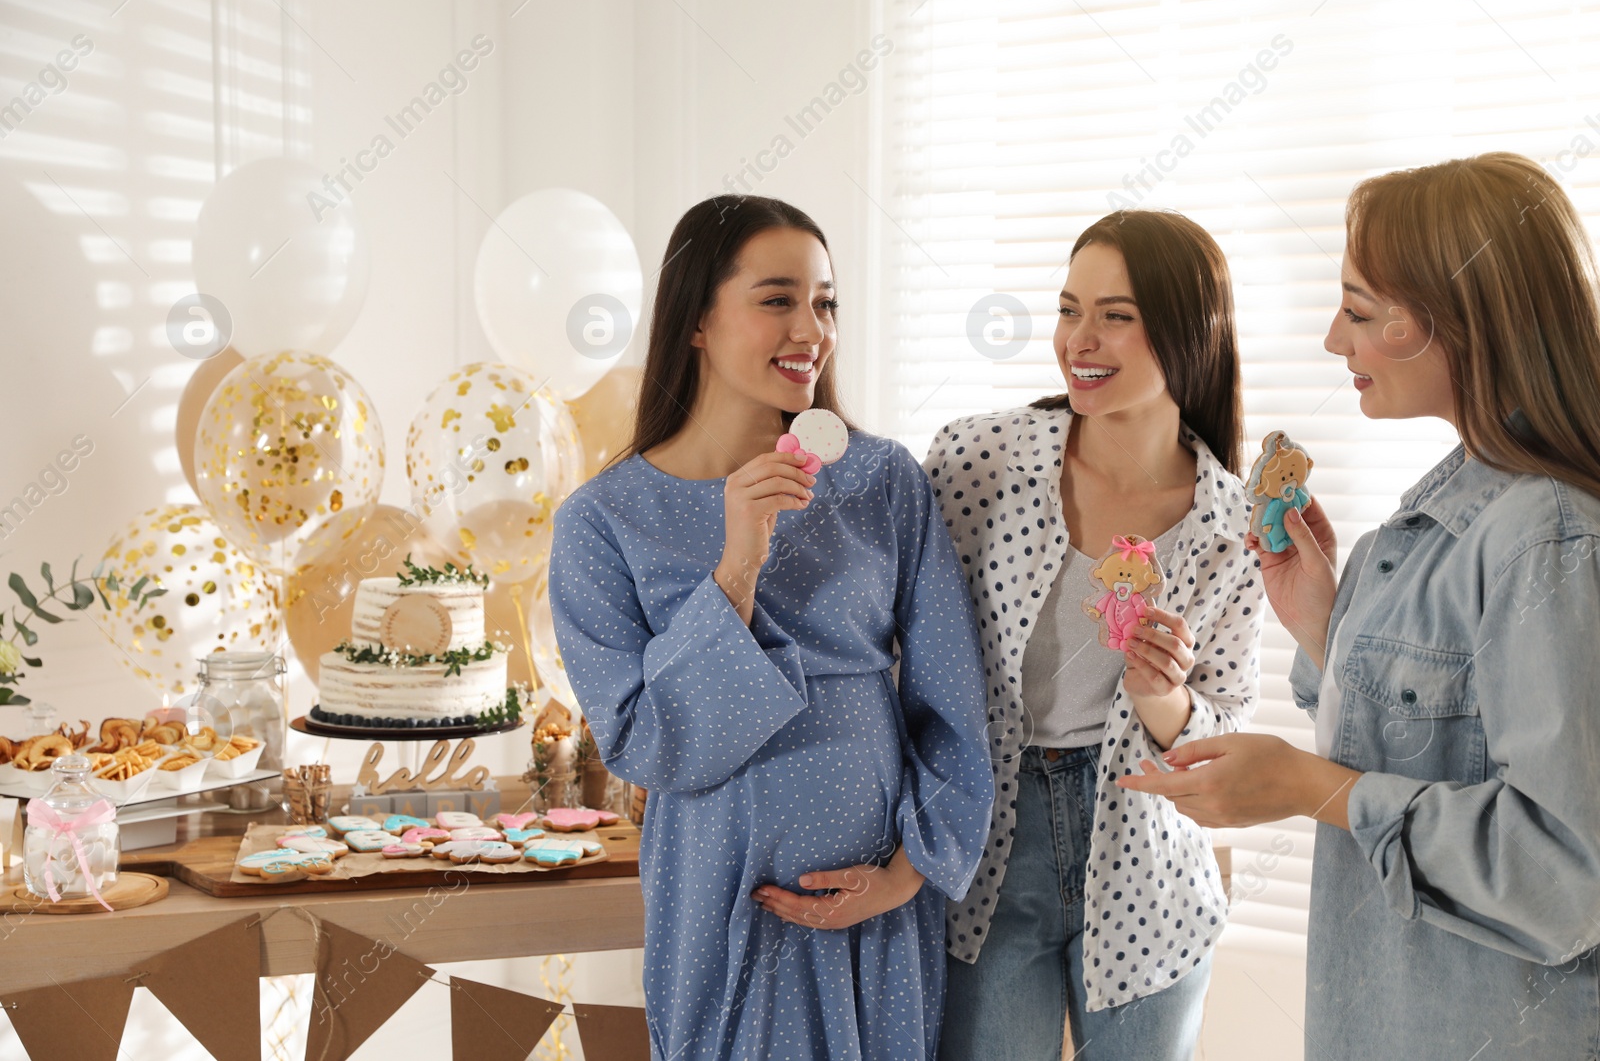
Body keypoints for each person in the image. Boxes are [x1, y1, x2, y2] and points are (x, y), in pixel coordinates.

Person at [1118, 152, 1600, 1059]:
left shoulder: (1551, 540)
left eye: (1362, 311)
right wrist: (1321, 624)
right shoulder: (1431, 523)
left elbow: (1565, 877)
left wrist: (1310, 787)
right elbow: (1439, 732)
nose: (1336, 341)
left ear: (1454, 323)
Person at [548, 194, 994, 1061]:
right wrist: (735, 570)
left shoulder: (883, 480)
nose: (812, 329)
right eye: (778, 298)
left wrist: (904, 877)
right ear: (697, 323)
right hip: (719, 903)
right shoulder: (603, 521)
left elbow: (953, 702)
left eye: (825, 301)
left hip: (880, 911)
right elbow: (640, 739)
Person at [928, 209, 1264, 1060]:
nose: (1081, 337)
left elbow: (1223, 731)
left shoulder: (1235, 525)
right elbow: (907, 653)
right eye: (1070, 308)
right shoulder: (980, 462)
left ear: (1189, 333)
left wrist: (1164, 697)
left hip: (1149, 869)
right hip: (990, 851)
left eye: (1116, 314)